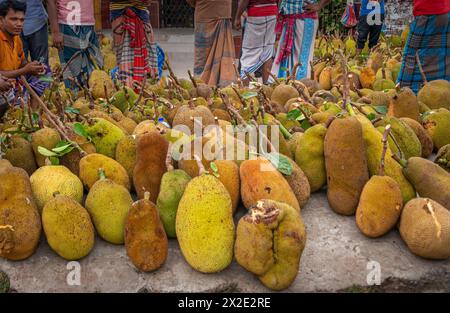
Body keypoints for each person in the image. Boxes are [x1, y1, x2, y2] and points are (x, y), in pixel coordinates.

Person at [0, 0, 47, 111]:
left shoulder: (16, 39)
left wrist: (33, 66)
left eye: (22, 20)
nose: (19, 24)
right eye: (14, 19)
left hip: (12, 83)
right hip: (3, 83)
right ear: (1, 20)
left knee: (45, 74)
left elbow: (21, 61)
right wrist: (25, 70)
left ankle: (32, 113)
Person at [47, 0, 103, 88]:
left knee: (96, 73)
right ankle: (74, 99)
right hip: (68, 24)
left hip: (88, 24)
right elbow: (50, 1)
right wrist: (55, 31)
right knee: (72, 75)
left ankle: (89, 99)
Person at [397, 0, 450, 93]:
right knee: (442, 56)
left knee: (411, 58)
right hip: (445, 10)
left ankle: (408, 93)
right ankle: (443, 93)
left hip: (428, 10)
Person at [271, 0, 331, 81]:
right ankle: (285, 85)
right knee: (286, 59)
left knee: (302, 59)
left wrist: (318, 5)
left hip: (305, 20)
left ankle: (300, 86)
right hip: (288, 19)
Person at [110, 0, 159, 88]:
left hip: (141, 15)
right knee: (123, 58)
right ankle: (127, 87)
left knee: (149, 57)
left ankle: (146, 87)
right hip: (120, 15)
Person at [187, 0, 236, 87]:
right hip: (216, 13)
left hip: (208, 12)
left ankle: (202, 85)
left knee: (202, 57)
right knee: (203, 56)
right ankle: (212, 86)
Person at [235, 0, 278, 84]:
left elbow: (244, 1)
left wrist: (237, 17)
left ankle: (245, 90)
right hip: (272, 13)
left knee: (249, 52)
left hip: (256, 15)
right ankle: (267, 86)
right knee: (268, 50)